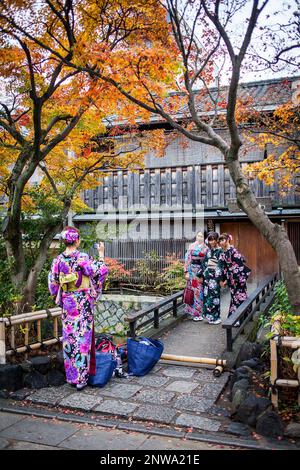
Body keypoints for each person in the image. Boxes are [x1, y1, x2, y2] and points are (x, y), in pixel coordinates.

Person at [48, 226, 108, 391]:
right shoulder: (83, 258)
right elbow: (101, 271)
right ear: (77, 240)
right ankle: (81, 379)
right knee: (82, 340)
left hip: (68, 303)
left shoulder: (58, 260)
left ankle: (71, 377)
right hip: (83, 303)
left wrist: (60, 299)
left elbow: (53, 284)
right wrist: (101, 254)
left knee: (69, 340)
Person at [219, 233, 251, 324]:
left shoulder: (233, 251)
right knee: (234, 297)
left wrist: (237, 279)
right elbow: (224, 267)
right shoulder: (224, 252)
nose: (221, 242)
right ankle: (236, 318)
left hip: (237, 278)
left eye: (222, 240)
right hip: (231, 277)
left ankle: (241, 318)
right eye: (220, 241)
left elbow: (239, 265)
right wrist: (225, 279)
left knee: (240, 297)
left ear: (228, 240)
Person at [197, 231, 223, 325]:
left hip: (215, 277)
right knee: (207, 296)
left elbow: (220, 265)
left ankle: (216, 317)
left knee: (215, 297)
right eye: (210, 240)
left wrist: (220, 278)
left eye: (213, 240)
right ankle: (209, 317)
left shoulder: (220, 251)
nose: (211, 242)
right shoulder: (208, 251)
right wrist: (200, 275)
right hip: (207, 277)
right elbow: (204, 263)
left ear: (217, 240)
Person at [184, 231, 208, 321]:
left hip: (201, 271)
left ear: (204, 238)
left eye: (201, 236)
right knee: (193, 291)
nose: (199, 238)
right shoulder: (191, 246)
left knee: (200, 291)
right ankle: (194, 313)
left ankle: (199, 312)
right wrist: (186, 271)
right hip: (192, 271)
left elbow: (206, 261)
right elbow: (187, 258)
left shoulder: (206, 248)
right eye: (198, 235)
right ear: (196, 236)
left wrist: (204, 273)